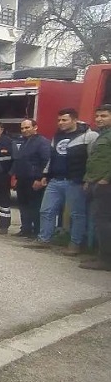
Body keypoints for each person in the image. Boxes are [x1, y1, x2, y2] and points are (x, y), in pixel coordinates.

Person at [36, 108, 99, 254]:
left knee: (77, 214)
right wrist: (46, 174)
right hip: (55, 180)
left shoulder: (89, 136)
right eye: (59, 120)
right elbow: (52, 157)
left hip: (75, 181)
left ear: (75, 120)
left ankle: (75, 244)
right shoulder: (57, 136)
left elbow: (93, 159)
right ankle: (44, 239)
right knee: (46, 210)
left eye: (64, 120)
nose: (60, 123)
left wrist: (88, 179)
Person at [80, 104, 111, 271]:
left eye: (104, 116)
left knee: (103, 222)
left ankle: (105, 260)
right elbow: (95, 161)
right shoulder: (102, 135)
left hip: (105, 185)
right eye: (97, 116)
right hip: (95, 182)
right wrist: (88, 180)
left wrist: (106, 179)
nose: (99, 119)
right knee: (100, 222)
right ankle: (102, 254)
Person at [11, 119, 51, 239]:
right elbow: (20, 161)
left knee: (35, 207)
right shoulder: (23, 142)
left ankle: (37, 231)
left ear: (35, 127)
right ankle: (25, 229)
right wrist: (17, 177)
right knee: (23, 206)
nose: (24, 130)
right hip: (22, 179)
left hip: (34, 180)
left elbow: (46, 161)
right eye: (22, 128)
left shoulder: (42, 142)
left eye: (27, 128)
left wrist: (40, 179)